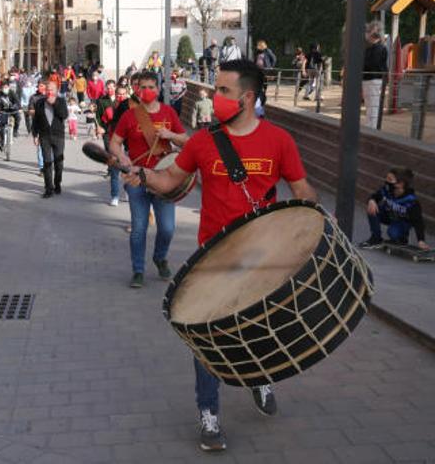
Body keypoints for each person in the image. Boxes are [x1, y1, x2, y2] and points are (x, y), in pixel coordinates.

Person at [127, 59, 318, 451]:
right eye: (216, 90)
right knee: (206, 337)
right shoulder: (202, 141)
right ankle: (209, 411)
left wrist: (305, 229)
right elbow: (169, 180)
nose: (216, 98)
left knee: (260, 328)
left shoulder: (279, 140)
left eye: (224, 91)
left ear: (247, 97)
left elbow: (304, 192)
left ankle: (259, 376)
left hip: (264, 257)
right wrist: (143, 175)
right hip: (211, 258)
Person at [110, 71, 188, 289]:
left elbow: (186, 142)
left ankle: (160, 257)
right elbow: (115, 142)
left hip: (164, 178)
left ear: (158, 88)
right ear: (137, 90)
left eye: (151, 87)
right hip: (137, 178)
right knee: (139, 228)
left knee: (167, 228)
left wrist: (170, 136)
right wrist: (122, 156)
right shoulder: (129, 116)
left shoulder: (169, 113)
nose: (147, 91)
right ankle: (138, 270)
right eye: (142, 87)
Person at [360, 168, 429, 250]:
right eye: (386, 178)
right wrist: (371, 200)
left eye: (390, 179)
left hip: (402, 221)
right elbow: (376, 195)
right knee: (373, 208)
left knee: (393, 232)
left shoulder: (411, 201)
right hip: (390, 215)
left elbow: (418, 221)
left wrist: (421, 240)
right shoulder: (387, 190)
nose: (386, 181)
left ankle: (401, 238)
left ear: (400, 184)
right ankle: (376, 238)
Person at [32, 82, 68, 197]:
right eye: (47, 90)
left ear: (56, 91)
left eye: (52, 90)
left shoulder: (61, 101)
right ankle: (48, 188)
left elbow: (64, 115)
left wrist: (55, 104)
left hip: (58, 136)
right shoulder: (39, 103)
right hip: (44, 136)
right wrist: (35, 135)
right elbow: (35, 121)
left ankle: (57, 183)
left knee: (59, 163)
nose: (49, 92)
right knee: (47, 162)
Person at [363, 23, 388, 129]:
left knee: (373, 106)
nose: (366, 34)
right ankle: (370, 126)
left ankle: (372, 128)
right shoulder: (371, 48)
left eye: (368, 31)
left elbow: (373, 63)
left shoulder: (379, 48)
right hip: (368, 79)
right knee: (370, 105)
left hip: (374, 79)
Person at [27, 81, 48, 177]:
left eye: (42, 85)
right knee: (40, 148)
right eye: (39, 86)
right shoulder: (33, 97)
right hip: (38, 125)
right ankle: (42, 168)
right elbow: (31, 111)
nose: (40, 87)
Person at [0, 79, 21, 155]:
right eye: (3, 87)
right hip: (3, 111)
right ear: (1, 88)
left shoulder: (12, 92)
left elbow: (17, 101)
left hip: (13, 110)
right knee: (2, 127)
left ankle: (15, 131)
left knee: (18, 117)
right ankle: (2, 144)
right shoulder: (0, 94)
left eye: (6, 87)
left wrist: (19, 108)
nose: (5, 88)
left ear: (8, 87)